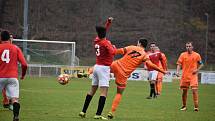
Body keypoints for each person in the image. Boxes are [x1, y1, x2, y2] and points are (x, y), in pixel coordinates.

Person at [107, 38, 168, 119]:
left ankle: (88, 72)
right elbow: (151, 65)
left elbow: (115, 52)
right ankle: (112, 112)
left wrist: (112, 47)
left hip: (116, 65)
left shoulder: (132, 47)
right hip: (123, 74)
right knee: (119, 93)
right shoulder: (145, 55)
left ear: (139, 43)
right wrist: (162, 70)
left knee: (102, 66)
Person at [79, 17, 116, 120]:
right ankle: (98, 114)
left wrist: (108, 23)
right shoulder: (106, 43)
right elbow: (113, 52)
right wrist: (114, 47)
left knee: (92, 90)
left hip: (96, 67)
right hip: (104, 69)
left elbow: (103, 30)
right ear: (104, 34)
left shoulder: (96, 40)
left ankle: (83, 111)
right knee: (104, 92)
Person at [0, 30, 28, 121]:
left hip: (0, 77)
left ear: (1, 38)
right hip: (12, 77)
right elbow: (24, 64)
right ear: (9, 38)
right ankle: (16, 116)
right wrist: (23, 75)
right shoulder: (15, 48)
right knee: (15, 99)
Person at [176, 41, 203, 112]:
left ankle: (196, 106)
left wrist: (197, 70)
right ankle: (184, 106)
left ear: (192, 47)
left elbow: (201, 64)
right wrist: (177, 72)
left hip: (193, 76)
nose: (188, 47)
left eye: (189, 46)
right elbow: (179, 64)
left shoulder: (197, 55)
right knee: (184, 92)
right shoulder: (182, 55)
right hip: (184, 76)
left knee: (194, 90)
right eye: (187, 46)